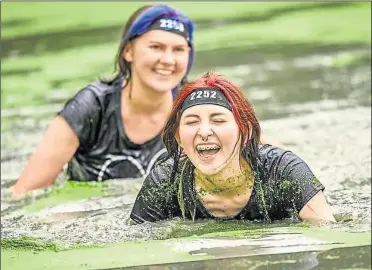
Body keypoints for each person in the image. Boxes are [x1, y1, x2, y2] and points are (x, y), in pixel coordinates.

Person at [10, 4, 195, 198]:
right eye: (156, 47)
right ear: (128, 51)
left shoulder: (192, 109)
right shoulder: (90, 108)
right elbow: (23, 194)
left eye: (179, 50)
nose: (168, 59)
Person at [130, 71, 336, 224]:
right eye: (192, 122)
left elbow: (328, 234)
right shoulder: (165, 182)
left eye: (218, 120)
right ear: (179, 137)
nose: (204, 132)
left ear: (244, 131)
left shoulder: (284, 171)